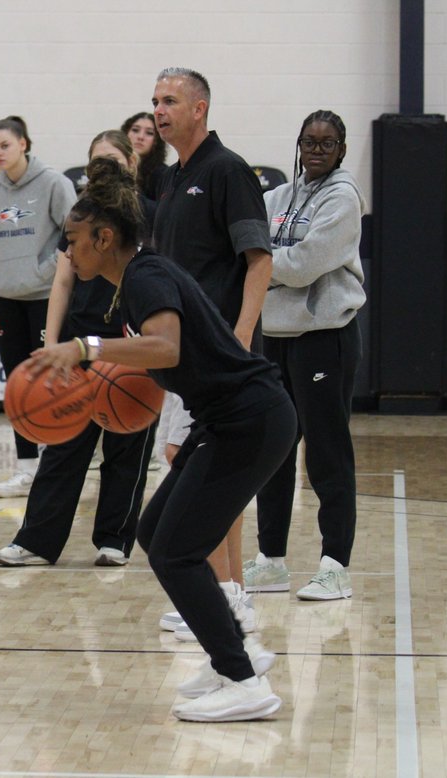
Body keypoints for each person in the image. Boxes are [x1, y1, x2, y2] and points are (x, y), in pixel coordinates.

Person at [33, 156, 294, 722]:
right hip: (229, 418)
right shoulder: (133, 279)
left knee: (175, 549)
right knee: (156, 532)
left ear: (105, 238)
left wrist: (84, 349)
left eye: (74, 240)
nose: (68, 251)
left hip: (250, 419)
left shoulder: (146, 276)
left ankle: (245, 682)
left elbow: (167, 349)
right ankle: (237, 654)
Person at [0, 130, 156, 568]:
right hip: (79, 344)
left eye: (113, 161)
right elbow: (62, 281)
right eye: (96, 161)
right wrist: (51, 341)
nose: (104, 168)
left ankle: (115, 540)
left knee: (127, 445)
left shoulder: (149, 214)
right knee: (63, 444)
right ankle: (36, 541)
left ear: (132, 164)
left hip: (129, 346)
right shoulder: (79, 215)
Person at [149, 68, 273, 642]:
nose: (159, 110)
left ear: (200, 108)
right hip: (185, 355)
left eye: (170, 101)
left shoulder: (227, 170)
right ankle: (230, 593)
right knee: (207, 471)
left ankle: (224, 598)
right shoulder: (173, 178)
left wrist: (241, 335)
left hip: (218, 351)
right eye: (155, 101)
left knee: (190, 460)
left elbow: (259, 261)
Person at [249, 110, 366, 601]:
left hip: (324, 335)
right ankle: (271, 560)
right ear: (298, 146)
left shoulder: (344, 197)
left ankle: (334, 565)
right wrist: (270, 261)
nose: (316, 151)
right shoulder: (275, 197)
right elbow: (249, 251)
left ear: (341, 149)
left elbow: (301, 266)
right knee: (272, 451)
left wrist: (266, 263)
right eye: (309, 142)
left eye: (327, 143)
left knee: (326, 453)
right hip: (274, 335)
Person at [0, 115, 77, 498]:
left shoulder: (53, 183)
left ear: (24, 144)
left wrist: (45, 271)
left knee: (49, 382)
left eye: (5, 145)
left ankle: (54, 464)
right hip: (7, 299)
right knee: (17, 384)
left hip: (47, 298)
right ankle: (26, 468)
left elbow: (74, 236)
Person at [121, 112, 168, 202]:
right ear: (126, 133)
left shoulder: (163, 174)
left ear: (156, 141)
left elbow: (164, 212)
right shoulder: (115, 166)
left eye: (149, 133)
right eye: (135, 130)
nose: (140, 137)